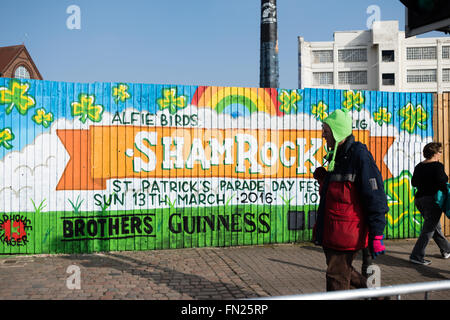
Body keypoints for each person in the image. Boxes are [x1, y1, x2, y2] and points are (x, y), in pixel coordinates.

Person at [313, 108, 388, 291]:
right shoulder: (337, 156)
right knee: (343, 271)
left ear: (338, 132)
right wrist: (324, 179)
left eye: (326, 131)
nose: (323, 135)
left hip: (346, 232)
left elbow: (375, 195)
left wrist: (377, 233)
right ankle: (380, 295)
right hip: (333, 230)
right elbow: (339, 194)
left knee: (336, 277)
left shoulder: (359, 156)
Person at [410, 142, 450, 265]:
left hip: (420, 200)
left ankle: (447, 250)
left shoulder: (419, 166)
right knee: (429, 230)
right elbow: (442, 182)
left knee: (435, 227)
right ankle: (416, 256)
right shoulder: (437, 166)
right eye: (440, 152)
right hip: (432, 201)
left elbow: (414, 182)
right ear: (434, 153)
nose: (440, 154)